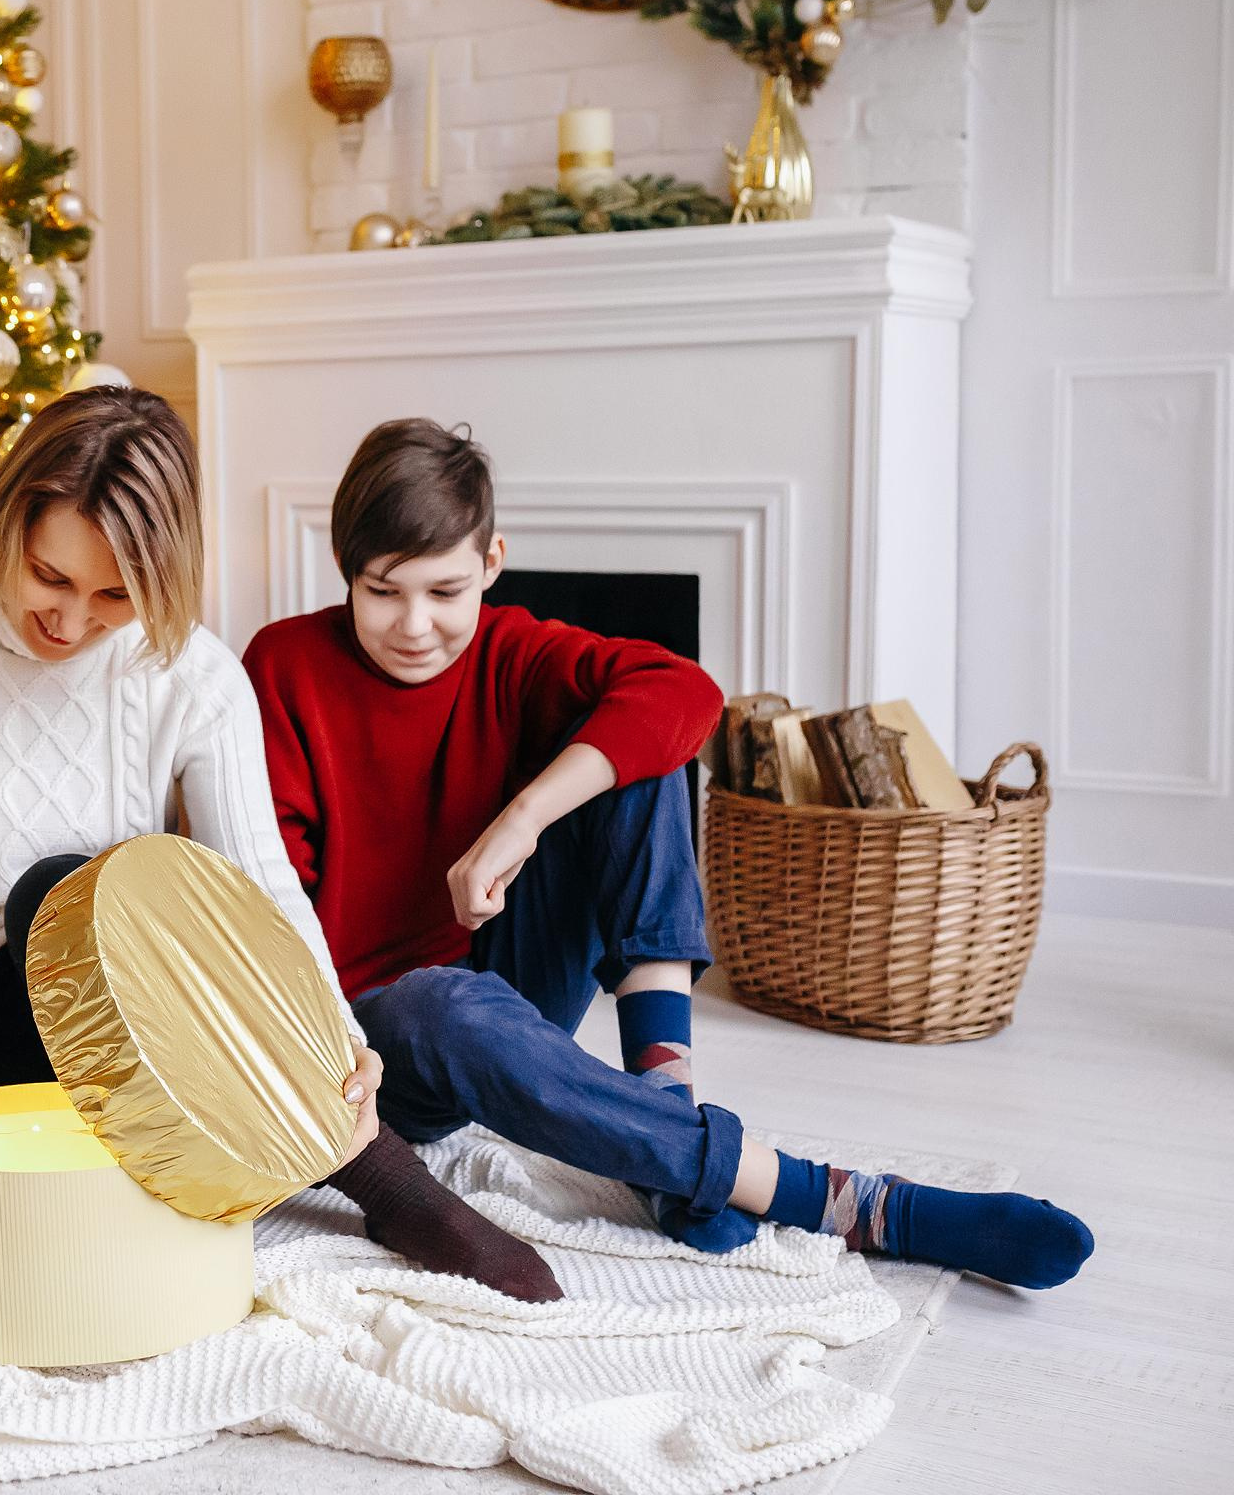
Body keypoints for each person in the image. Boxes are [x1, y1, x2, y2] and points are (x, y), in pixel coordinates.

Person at [242, 417, 1095, 1288]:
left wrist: (525, 816)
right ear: (346, 572)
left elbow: (685, 692)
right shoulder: (284, 667)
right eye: (384, 591)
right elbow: (273, 912)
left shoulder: (512, 651)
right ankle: (849, 1201)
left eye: (446, 591)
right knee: (440, 1004)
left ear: (492, 562)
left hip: (506, 965)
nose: (415, 625)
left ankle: (663, 1099)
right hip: (378, 1035)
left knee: (634, 745)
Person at [0, 387, 562, 1303]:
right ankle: (145, 1176)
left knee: (65, 892)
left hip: (129, 1003)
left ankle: (375, 1173)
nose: (71, 621)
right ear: (6, 524)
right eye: (50, 578)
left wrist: (328, 1033)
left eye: (114, 595)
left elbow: (260, 883)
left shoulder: (194, 674)